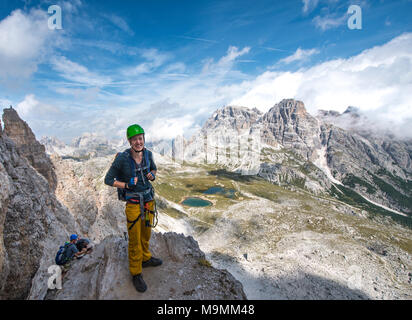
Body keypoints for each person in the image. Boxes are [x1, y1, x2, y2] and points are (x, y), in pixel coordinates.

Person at [104, 124, 162, 293]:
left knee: (146, 233)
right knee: (134, 239)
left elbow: (154, 168)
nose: (138, 142)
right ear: (130, 141)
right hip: (134, 204)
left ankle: (145, 258)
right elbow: (108, 180)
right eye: (135, 139)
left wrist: (153, 174)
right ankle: (136, 272)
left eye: (140, 138)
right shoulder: (122, 159)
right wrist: (126, 185)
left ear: (144, 139)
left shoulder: (148, 154)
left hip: (148, 201)